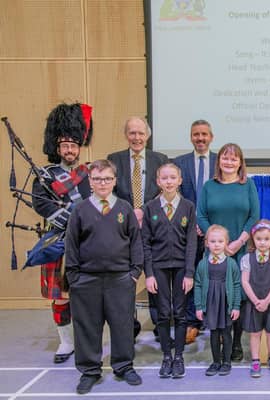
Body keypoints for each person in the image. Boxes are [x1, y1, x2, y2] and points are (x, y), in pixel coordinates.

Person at [64, 159, 143, 394]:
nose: (102, 183)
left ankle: (123, 366)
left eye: (107, 178)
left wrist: (134, 272)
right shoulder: (80, 210)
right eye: (97, 179)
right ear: (90, 181)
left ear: (114, 181)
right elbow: (71, 245)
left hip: (120, 279)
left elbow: (135, 242)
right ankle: (89, 371)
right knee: (87, 326)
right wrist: (74, 277)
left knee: (123, 325)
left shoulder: (124, 208)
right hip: (86, 280)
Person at [31, 102, 93, 364]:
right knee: (60, 296)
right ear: (57, 148)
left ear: (79, 147)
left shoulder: (90, 173)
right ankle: (66, 342)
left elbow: (95, 200)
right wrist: (70, 221)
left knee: (86, 294)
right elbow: (41, 204)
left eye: (73, 145)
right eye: (64, 146)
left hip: (87, 241)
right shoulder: (45, 176)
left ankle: (84, 340)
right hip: (58, 238)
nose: (69, 150)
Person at [197, 143, 260, 361]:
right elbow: (201, 216)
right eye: (225, 158)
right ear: (219, 161)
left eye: (234, 159)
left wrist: (239, 241)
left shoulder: (248, 185)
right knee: (217, 294)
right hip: (215, 250)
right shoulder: (208, 186)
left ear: (240, 163)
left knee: (239, 296)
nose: (229, 162)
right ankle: (220, 339)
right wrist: (218, 243)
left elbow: (254, 216)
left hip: (240, 249)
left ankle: (235, 343)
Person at [107, 116, 169, 340]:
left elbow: (165, 189)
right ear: (126, 135)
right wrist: (129, 213)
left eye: (141, 133)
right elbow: (109, 191)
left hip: (153, 226)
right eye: (132, 133)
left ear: (148, 136)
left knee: (155, 277)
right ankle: (128, 326)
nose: (137, 137)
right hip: (123, 229)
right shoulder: (114, 159)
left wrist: (142, 210)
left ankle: (159, 325)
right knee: (126, 279)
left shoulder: (160, 159)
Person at [142, 163, 197, 378]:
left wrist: (190, 273)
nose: (168, 181)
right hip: (159, 268)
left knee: (181, 314)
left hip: (182, 268)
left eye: (173, 177)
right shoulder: (150, 208)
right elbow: (145, 243)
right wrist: (149, 274)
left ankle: (179, 356)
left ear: (180, 180)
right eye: (164, 178)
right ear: (158, 181)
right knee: (164, 314)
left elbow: (192, 242)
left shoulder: (188, 207)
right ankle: (166, 356)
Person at [173, 119, 217, 344]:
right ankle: (192, 321)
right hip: (187, 230)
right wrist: (193, 222)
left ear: (211, 137)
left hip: (215, 231)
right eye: (196, 134)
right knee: (189, 275)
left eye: (204, 134)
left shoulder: (221, 161)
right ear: (191, 137)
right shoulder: (179, 163)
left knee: (214, 276)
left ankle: (213, 319)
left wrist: (207, 225)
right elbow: (176, 197)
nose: (200, 138)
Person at [194, 224, 241, 376]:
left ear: (226, 243)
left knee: (226, 333)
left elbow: (236, 285)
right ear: (207, 243)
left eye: (220, 241)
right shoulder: (202, 264)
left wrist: (236, 306)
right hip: (211, 304)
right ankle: (215, 362)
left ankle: (226, 361)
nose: (216, 245)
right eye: (213, 241)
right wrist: (199, 306)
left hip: (225, 304)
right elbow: (199, 285)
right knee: (214, 333)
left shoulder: (231, 264)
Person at [240, 219, 270, 378]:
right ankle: (255, 360)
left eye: (266, 239)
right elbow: (245, 281)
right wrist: (256, 301)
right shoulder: (247, 259)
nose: (262, 242)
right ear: (253, 238)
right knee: (255, 333)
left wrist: (266, 301)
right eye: (259, 239)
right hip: (254, 303)